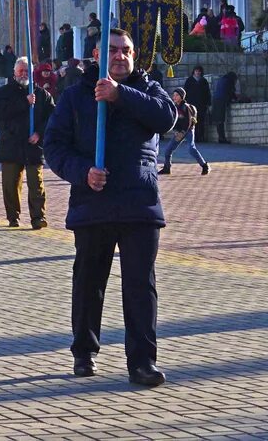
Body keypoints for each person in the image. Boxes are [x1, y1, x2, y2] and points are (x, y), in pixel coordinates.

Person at [43, 27, 175, 385]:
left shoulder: (147, 89)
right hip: (93, 202)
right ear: (98, 55)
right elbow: (54, 147)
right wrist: (82, 172)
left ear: (134, 55)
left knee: (140, 285)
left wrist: (120, 95)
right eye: (112, 50)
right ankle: (84, 352)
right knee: (89, 281)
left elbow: (167, 118)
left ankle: (142, 362)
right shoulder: (75, 96)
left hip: (138, 202)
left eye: (126, 50)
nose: (120, 56)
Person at [0, 56, 55, 229]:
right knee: (11, 183)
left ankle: (38, 217)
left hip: (33, 145)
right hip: (11, 144)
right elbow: (2, 113)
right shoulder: (3, 93)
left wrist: (39, 133)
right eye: (21, 70)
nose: (24, 74)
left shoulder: (43, 94)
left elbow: (52, 117)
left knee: (36, 183)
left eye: (27, 71)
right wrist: (25, 102)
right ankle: (13, 216)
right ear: (14, 72)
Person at [158, 88, 209, 175]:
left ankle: (204, 166)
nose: (174, 97)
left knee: (191, 149)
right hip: (179, 132)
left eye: (177, 95)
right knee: (168, 150)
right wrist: (176, 131)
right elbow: (174, 121)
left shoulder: (186, 107)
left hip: (188, 131)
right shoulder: (174, 107)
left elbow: (189, 122)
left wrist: (182, 132)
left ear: (182, 96)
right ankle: (167, 168)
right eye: (173, 95)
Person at [209, 70, 238, 144]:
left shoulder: (222, 79)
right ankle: (222, 138)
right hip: (221, 101)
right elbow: (230, 92)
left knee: (219, 120)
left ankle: (221, 137)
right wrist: (236, 99)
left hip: (216, 100)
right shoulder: (229, 81)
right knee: (220, 120)